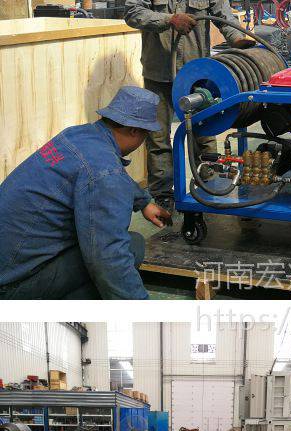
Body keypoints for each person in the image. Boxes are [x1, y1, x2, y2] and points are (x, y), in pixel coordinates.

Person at [0, 86, 171, 300]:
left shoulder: (77, 135)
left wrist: (143, 201)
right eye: (146, 134)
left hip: (10, 259)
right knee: (130, 247)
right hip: (10, 286)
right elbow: (109, 258)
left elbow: (100, 172)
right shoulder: (105, 172)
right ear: (134, 131)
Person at [125, 0, 254, 210]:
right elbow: (132, 13)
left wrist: (236, 38)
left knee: (204, 133)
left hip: (196, 74)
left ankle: (209, 183)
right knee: (158, 137)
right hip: (158, 74)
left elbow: (223, 14)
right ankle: (163, 195)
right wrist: (169, 20)